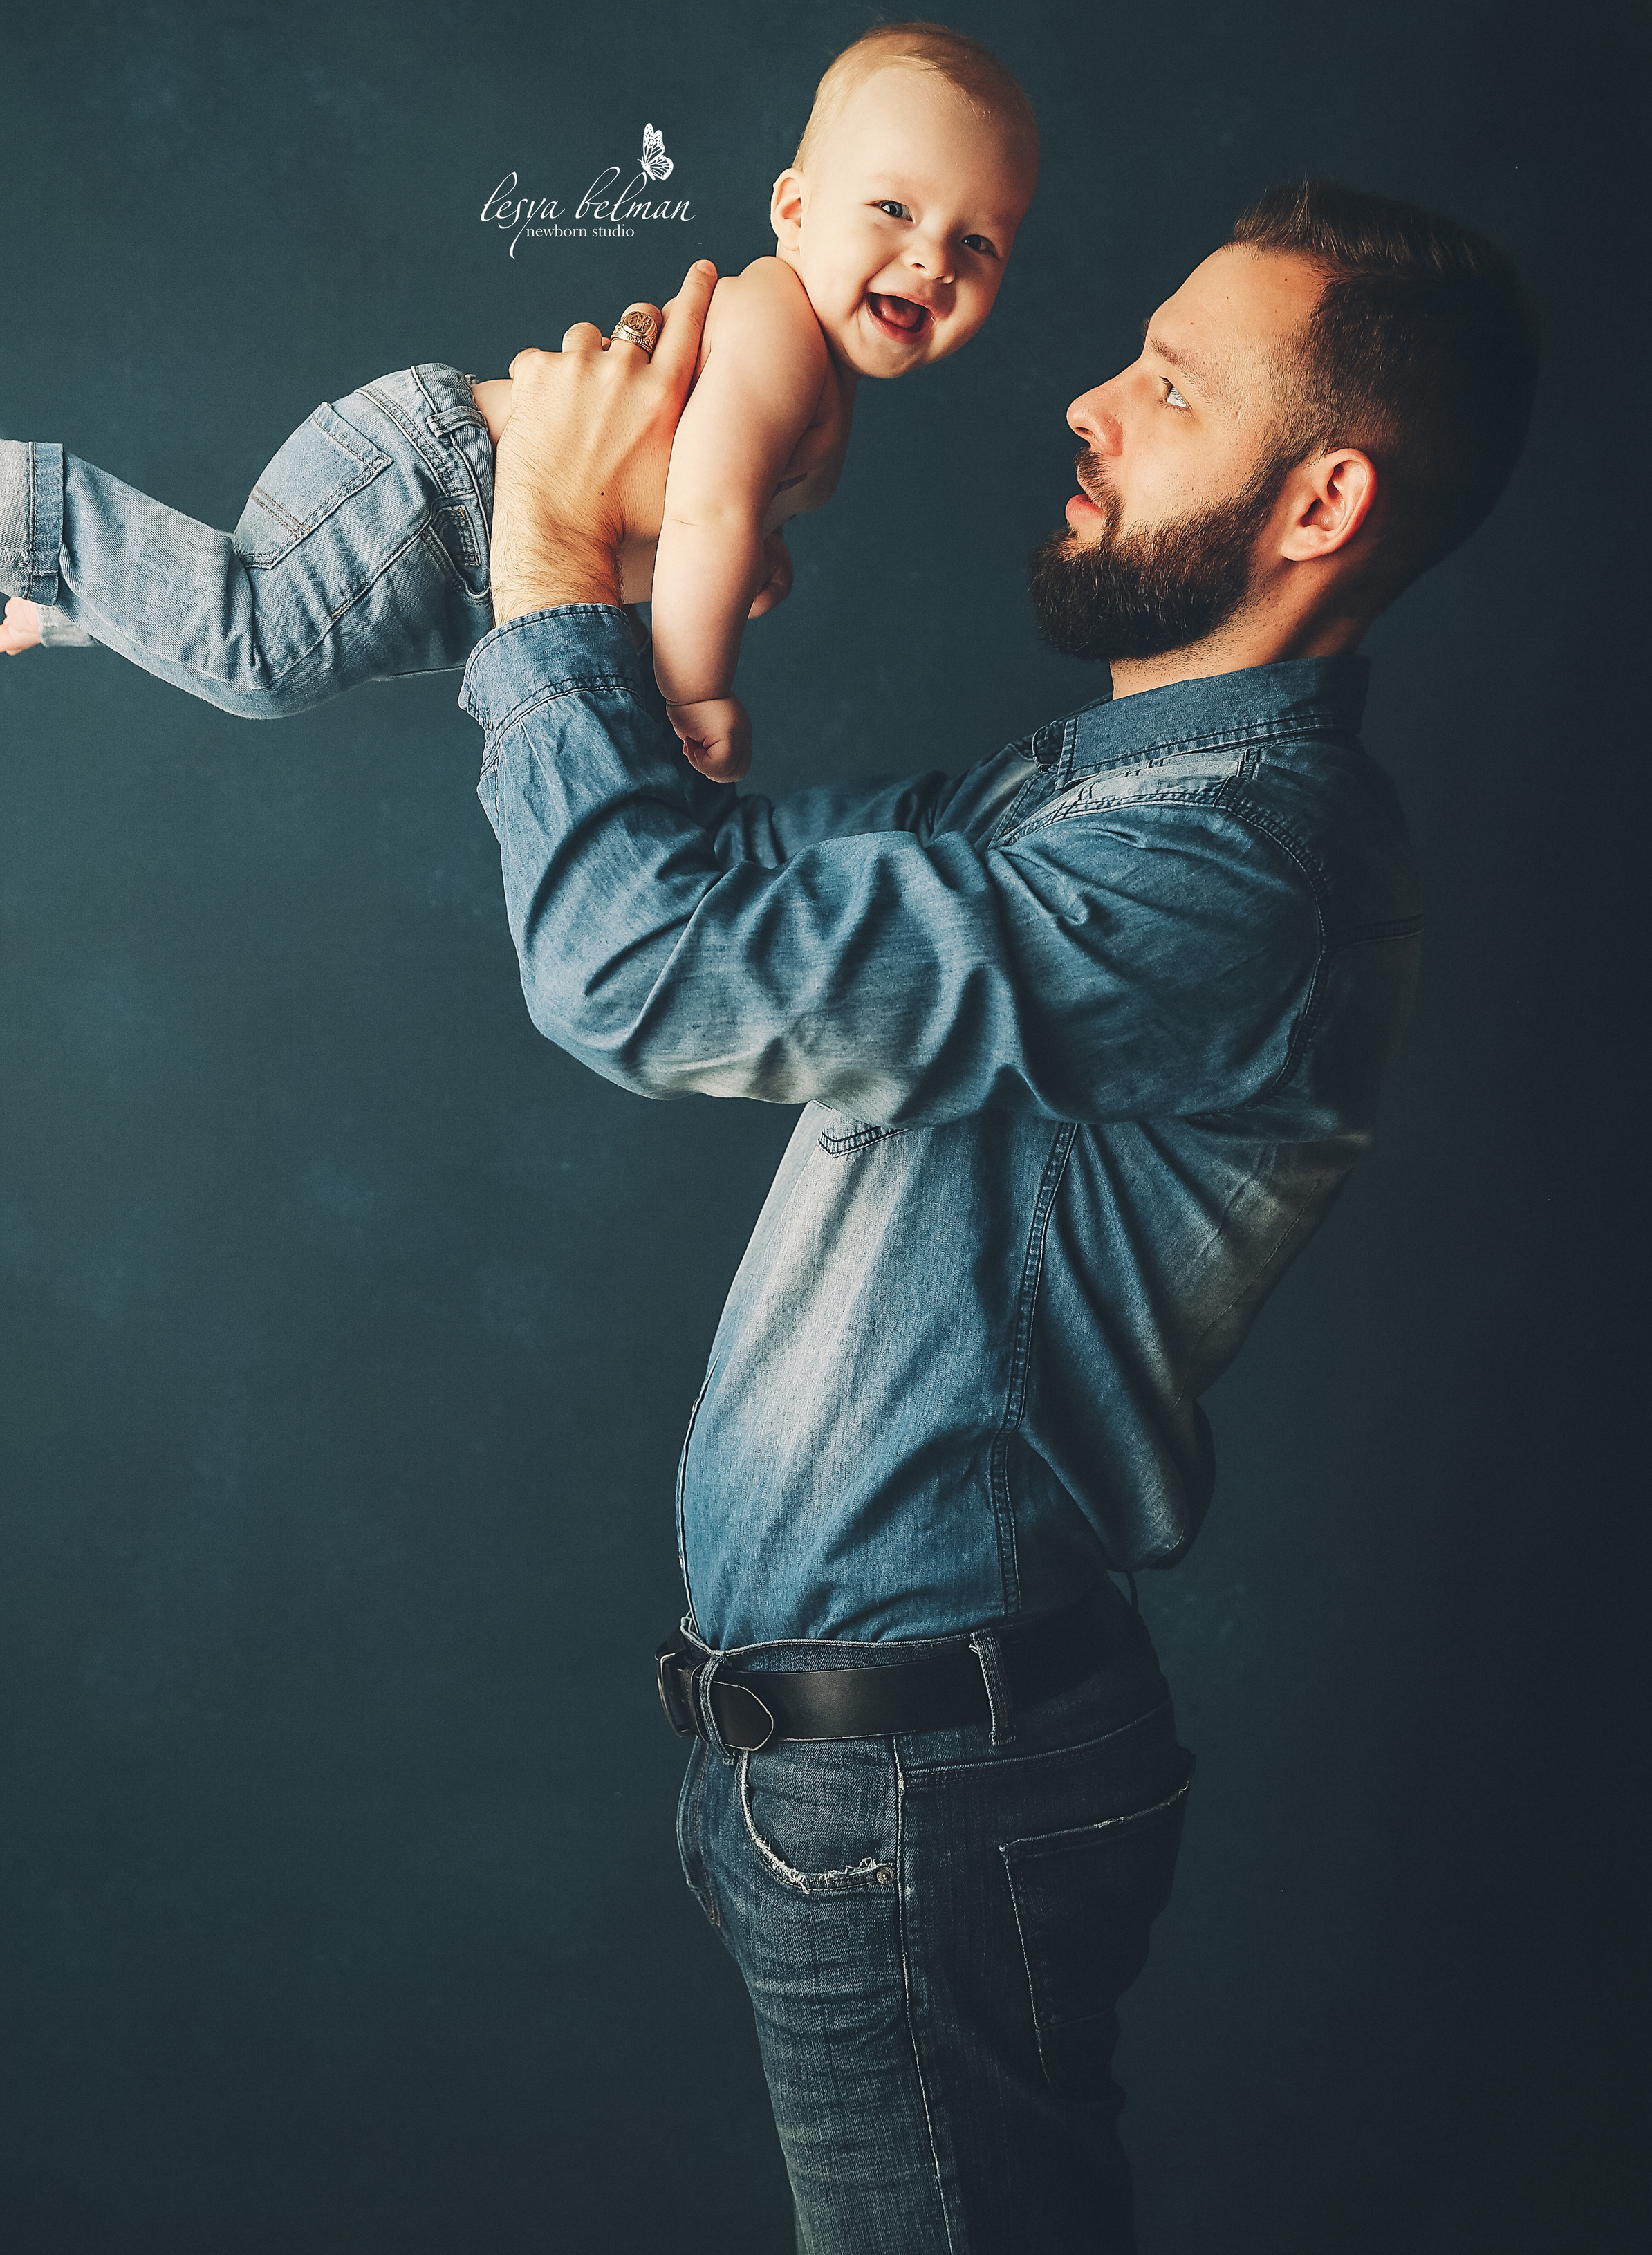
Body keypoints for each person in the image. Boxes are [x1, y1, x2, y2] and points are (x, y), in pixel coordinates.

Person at [458, 181, 1538, 2253]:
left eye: (1168, 381)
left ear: (1319, 503)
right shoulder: (1084, 794)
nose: (1087, 400)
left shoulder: (1243, 872)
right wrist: (654, 511)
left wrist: (550, 558)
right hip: (830, 1783)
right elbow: (690, 867)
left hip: (924, 1803)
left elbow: (632, 966)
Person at [0, 22, 1037, 781]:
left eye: (975, 242)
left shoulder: (808, 370)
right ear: (793, 208)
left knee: (274, 632)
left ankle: (85, 593)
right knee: (262, 662)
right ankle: (39, 520)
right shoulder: (781, 328)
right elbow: (706, 512)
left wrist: (760, 554)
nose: (932, 259)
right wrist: (695, 693)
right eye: (893, 208)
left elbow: (726, 503)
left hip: (471, 547)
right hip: (442, 494)